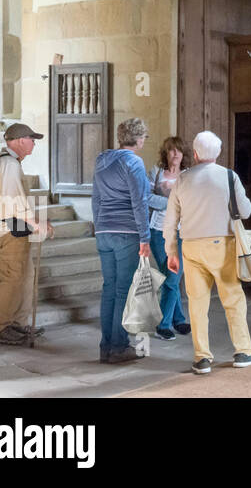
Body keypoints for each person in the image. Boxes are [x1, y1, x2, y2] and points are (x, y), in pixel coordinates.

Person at [164, 130, 251, 375]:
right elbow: (246, 211)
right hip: (223, 244)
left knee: (197, 304)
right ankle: (243, 351)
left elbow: (170, 221)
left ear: (195, 154)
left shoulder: (183, 179)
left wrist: (170, 251)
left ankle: (202, 358)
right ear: (218, 153)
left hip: (190, 246)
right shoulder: (229, 176)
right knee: (233, 299)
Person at [0, 123, 54, 344]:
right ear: (21, 140)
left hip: (16, 228)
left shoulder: (9, 163)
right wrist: (34, 222)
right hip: (9, 229)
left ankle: (17, 323)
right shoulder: (8, 164)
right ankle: (0, 327)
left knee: (24, 277)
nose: (34, 143)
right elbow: (13, 200)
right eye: (32, 139)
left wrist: (35, 222)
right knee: (12, 278)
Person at [91, 117, 152, 364]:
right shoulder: (133, 162)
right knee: (122, 291)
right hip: (126, 232)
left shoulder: (102, 160)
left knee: (109, 289)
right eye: (144, 138)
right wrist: (145, 237)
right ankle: (118, 347)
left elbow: (96, 197)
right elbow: (140, 202)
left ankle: (106, 346)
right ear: (138, 139)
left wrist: (99, 226)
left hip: (104, 231)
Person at [147, 137, 191, 341]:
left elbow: (192, 202)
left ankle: (165, 323)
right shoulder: (155, 173)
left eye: (178, 151)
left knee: (173, 276)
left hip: (181, 232)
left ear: (183, 154)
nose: (175, 154)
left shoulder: (188, 175)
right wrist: (171, 202)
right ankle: (178, 319)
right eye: (171, 150)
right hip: (158, 231)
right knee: (170, 276)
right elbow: (146, 197)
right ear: (166, 153)